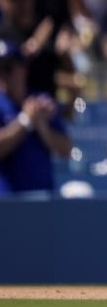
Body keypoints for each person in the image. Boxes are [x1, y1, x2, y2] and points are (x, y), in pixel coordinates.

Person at [0, 40, 72, 196]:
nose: (3, 75)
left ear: (23, 69)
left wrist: (41, 126)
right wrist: (25, 121)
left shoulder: (41, 102)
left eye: (7, 69)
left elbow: (65, 149)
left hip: (42, 202)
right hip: (6, 204)